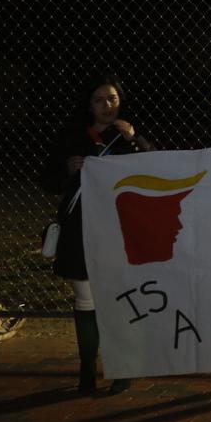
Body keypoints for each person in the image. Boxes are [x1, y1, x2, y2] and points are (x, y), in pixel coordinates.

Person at [39, 75, 153, 395]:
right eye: (100, 100)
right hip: (81, 228)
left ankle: (124, 368)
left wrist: (135, 140)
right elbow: (48, 180)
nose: (107, 106)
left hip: (122, 230)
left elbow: (155, 167)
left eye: (113, 99)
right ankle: (87, 369)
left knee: (119, 300)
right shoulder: (73, 136)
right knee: (86, 301)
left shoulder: (127, 134)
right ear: (88, 105)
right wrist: (68, 168)